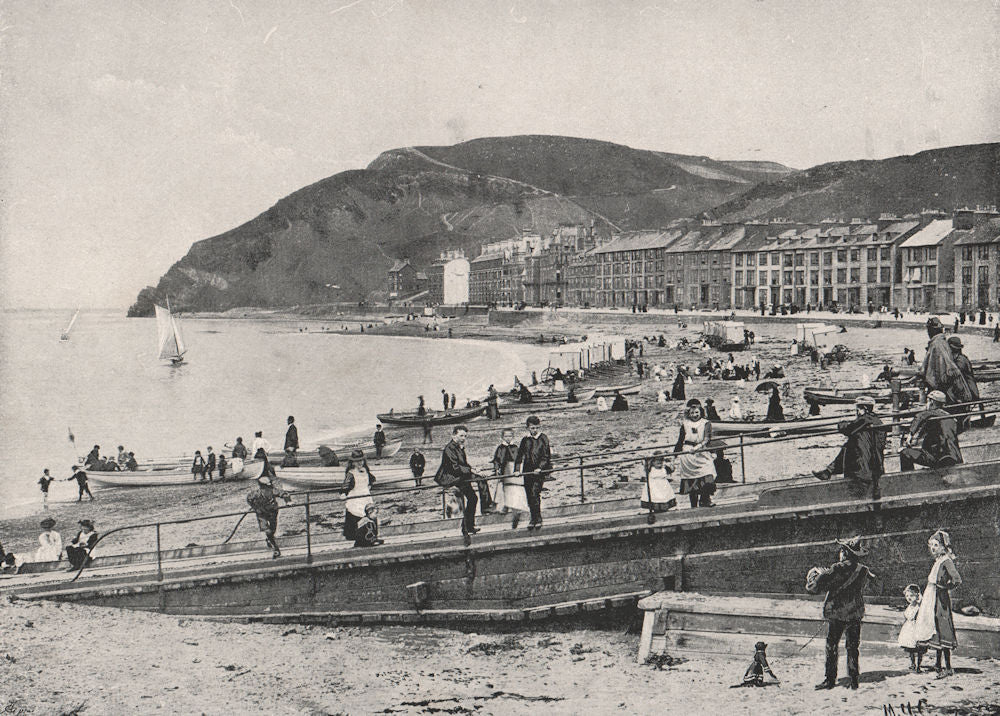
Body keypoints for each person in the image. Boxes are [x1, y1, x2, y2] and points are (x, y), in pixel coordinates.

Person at [806, 536, 875, 690]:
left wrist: (816, 575)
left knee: (831, 646)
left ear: (844, 552)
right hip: (855, 613)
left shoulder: (836, 568)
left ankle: (830, 681)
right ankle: (854, 680)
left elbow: (813, 589)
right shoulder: (863, 570)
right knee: (852, 647)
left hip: (837, 613)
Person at [812, 396, 885, 500]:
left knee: (849, 445)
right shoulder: (875, 420)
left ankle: (828, 471)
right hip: (874, 463)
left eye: (858, 409)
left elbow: (848, 429)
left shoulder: (865, 419)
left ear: (864, 408)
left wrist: (841, 423)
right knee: (850, 444)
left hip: (864, 466)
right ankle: (828, 471)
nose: (857, 412)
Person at [913, 530, 962, 678]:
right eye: (931, 545)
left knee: (943, 629)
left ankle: (947, 668)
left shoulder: (946, 561)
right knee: (934, 629)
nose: (933, 548)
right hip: (931, 599)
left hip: (940, 601)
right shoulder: (938, 561)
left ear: (943, 547)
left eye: (936, 545)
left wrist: (943, 588)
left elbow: (957, 580)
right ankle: (938, 664)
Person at [899, 391, 962, 472]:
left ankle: (908, 481)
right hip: (954, 456)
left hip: (938, 457)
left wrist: (910, 435)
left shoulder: (932, 414)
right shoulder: (951, 418)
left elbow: (919, 416)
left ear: (931, 401)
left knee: (905, 453)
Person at [920, 317, 974, 410]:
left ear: (932, 330)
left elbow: (941, 370)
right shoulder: (941, 342)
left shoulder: (937, 344)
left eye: (929, 330)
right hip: (950, 387)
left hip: (944, 388)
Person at [435, 425, 479, 537]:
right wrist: (471, 470)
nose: (464, 438)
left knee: (473, 497)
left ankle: (468, 526)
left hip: (459, 476)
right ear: (453, 435)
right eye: (461, 435)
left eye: (465, 436)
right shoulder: (449, 448)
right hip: (450, 477)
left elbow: (463, 464)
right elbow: (454, 468)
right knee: (470, 498)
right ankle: (467, 527)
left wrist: (473, 469)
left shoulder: (459, 447)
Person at [673, 399, 716, 508]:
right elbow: (680, 439)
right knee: (692, 480)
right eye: (692, 413)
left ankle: (705, 499)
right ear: (688, 413)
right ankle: (693, 505)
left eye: (696, 412)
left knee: (708, 474)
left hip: (701, 450)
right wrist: (675, 455)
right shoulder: (685, 424)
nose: (694, 415)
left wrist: (707, 449)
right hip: (688, 452)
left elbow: (707, 438)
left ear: (701, 412)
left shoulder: (705, 423)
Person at [515, 415, 552, 530]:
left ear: (539, 427)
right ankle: (533, 518)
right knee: (529, 495)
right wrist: (517, 470)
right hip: (528, 470)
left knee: (535, 493)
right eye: (532, 428)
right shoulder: (525, 440)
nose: (534, 430)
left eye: (536, 428)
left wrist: (540, 468)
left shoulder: (543, 438)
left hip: (539, 471)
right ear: (528, 428)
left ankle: (538, 518)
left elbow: (546, 456)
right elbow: (519, 455)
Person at [246, 474, 291, 558]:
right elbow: (249, 499)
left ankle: (269, 540)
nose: (267, 488)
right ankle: (276, 549)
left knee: (272, 529)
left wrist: (288, 501)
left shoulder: (272, 491)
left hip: (272, 512)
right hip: (261, 514)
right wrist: (255, 507)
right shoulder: (256, 493)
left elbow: (284, 494)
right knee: (267, 531)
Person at [493, 427, 529, 528]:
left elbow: (519, 459)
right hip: (505, 470)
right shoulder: (500, 448)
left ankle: (515, 511)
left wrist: (517, 469)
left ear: (512, 437)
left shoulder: (515, 447)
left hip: (514, 469)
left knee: (515, 489)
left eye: (510, 436)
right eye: (506, 436)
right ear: (502, 437)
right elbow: (496, 460)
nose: (508, 438)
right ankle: (505, 506)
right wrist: (497, 469)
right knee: (505, 489)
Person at [341, 449, 375, 542]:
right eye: (357, 461)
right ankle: (360, 539)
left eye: (361, 460)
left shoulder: (365, 470)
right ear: (353, 462)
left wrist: (369, 485)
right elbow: (345, 485)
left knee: (370, 515)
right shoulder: (351, 473)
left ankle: (371, 537)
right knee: (358, 516)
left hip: (366, 497)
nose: (360, 463)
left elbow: (371, 479)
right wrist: (343, 493)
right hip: (355, 498)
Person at [948, 336, 980, 429]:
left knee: (960, 408)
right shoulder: (960, 358)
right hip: (967, 390)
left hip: (968, 391)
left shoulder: (960, 360)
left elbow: (955, 374)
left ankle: (961, 426)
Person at [897, 584, 927, 672]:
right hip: (909, 629)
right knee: (910, 648)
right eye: (907, 596)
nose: (909, 598)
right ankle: (913, 664)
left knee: (919, 648)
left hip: (917, 628)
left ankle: (919, 665)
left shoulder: (919, 607)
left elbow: (921, 618)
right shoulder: (910, 606)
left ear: (917, 595)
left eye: (911, 595)